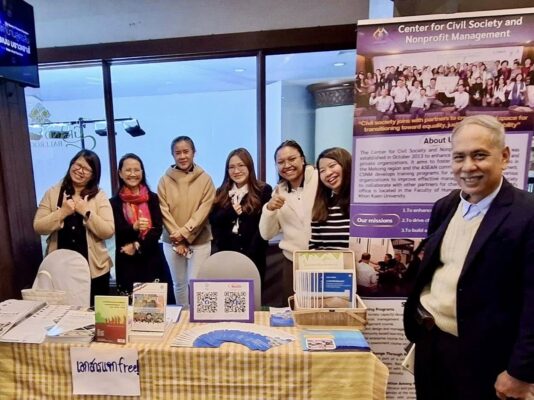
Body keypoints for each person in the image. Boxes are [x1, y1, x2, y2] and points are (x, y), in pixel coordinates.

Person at [403, 115, 534, 400]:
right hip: (432, 346)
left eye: (479, 155)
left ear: (504, 156)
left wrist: (521, 372)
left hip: (486, 360)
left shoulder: (527, 214)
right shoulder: (445, 206)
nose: (468, 167)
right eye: (459, 157)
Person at [33, 150, 114, 302]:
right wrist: (62, 212)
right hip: (59, 270)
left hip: (94, 271)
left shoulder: (99, 195)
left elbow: (108, 231)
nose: (80, 171)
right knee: (60, 312)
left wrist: (86, 211)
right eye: (78, 165)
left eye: (87, 169)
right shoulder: (53, 193)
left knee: (95, 313)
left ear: (93, 175)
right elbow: (38, 226)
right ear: (71, 164)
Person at [158, 136, 215, 306]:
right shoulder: (164, 180)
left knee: (196, 284)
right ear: (173, 155)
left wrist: (183, 233)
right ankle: (183, 316)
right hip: (172, 241)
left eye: (186, 151)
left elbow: (204, 210)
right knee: (179, 284)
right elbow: (163, 210)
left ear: (193, 152)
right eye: (178, 153)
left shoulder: (205, 179)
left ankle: (197, 317)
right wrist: (177, 238)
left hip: (199, 241)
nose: (182, 156)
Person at [259, 140, 318, 306]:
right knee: (292, 311)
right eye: (280, 162)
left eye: (292, 159)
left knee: (326, 311)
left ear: (302, 159)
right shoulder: (278, 192)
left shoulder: (319, 180)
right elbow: (266, 234)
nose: (287, 165)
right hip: (293, 262)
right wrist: (269, 209)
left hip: (325, 259)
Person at [209, 148, 272, 286]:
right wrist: (231, 212)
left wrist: (250, 253)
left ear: (249, 166)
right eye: (231, 167)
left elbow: (264, 225)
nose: (236, 171)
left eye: (241, 165)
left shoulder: (263, 190)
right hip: (226, 256)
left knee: (253, 296)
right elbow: (214, 221)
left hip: (253, 255)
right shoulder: (221, 192)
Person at [110, 153, 165, 295]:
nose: (133, 174)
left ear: (142, 172)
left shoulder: (152, 198)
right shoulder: (114, 203)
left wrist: (137, 245)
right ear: (120, 173)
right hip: (126, 260)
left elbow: (157, 229)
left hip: (150, 257)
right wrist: (134, 227)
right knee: (128, 303)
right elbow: (117, 231)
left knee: (152, 305)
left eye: (136, 170)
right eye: (128, 170)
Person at [309, 147, 351, 250]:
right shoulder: (321, 208)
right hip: (328, 261)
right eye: (322, 171)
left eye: (332, 166)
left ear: (346, 164)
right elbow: (315, 247)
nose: (328, 173)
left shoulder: (365, 205)